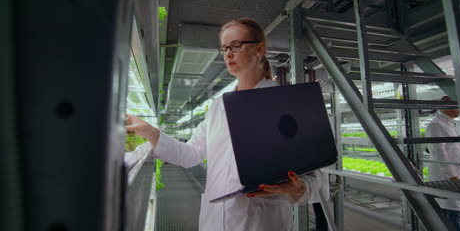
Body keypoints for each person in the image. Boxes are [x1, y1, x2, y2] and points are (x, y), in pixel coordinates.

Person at [126, 18, 323, 231]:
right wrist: (148, 130)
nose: (228, 53)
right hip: (214, 221)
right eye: (225, 48)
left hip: (261, 222)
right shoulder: (218, 106)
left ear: (260, 48)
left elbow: (317, 176)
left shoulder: (288, 102)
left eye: (236, 45)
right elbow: (189, 154)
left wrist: (297, 188)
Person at [426, 96, 460, 231]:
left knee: (452, 210)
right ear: (445, 108)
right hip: (446, 174)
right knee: (455, 212)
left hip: (456, 171)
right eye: (456, 107)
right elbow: (438, 151)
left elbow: (457, 147)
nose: (459, 111)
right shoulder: (436, 125)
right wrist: (451, 175)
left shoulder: (451, 124)